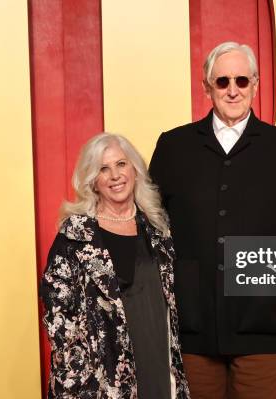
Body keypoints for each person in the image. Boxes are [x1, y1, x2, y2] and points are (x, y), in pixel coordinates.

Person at [149, 41, 276, 398]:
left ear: (255, 84)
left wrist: (272, 281)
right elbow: (150, 226)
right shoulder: (173, 147)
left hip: (263, 331)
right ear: (206, 87)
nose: (232, 90)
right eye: (222, 82)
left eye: (242, 81)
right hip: (191, 331)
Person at [40, 133, 190, 399]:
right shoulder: (75, 235)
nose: (115, 176)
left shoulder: (158, 229)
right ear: (93, 182)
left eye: (121, 164)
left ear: (135, 169)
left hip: (158, 365)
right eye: (103, 169)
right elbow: (59, 317)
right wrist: (83, 376)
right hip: (98, 380)